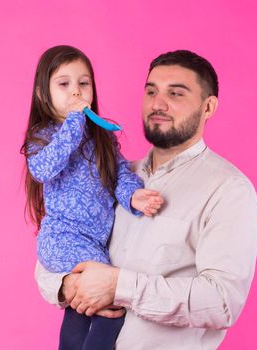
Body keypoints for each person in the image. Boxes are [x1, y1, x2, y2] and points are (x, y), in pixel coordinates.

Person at [35, 49, 257, 349]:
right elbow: (53, 252)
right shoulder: (113, 176)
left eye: (176, 93)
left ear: (208, 107)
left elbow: (222, 303)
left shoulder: (228, 190)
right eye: (151, 91)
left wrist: (119, 286)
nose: (158, 103)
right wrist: (68, 285)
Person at [21, 45, 164, 350]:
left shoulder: (102, 136)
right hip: (64, 239)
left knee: (84, 309)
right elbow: (43, 169)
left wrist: (133, 195)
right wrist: (74, 122)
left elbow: (119, 174)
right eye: (64, 84)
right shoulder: (43, 135)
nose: (75, 92)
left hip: (92, 242)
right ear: (42, 94)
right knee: (108, 299)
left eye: (83, 83)